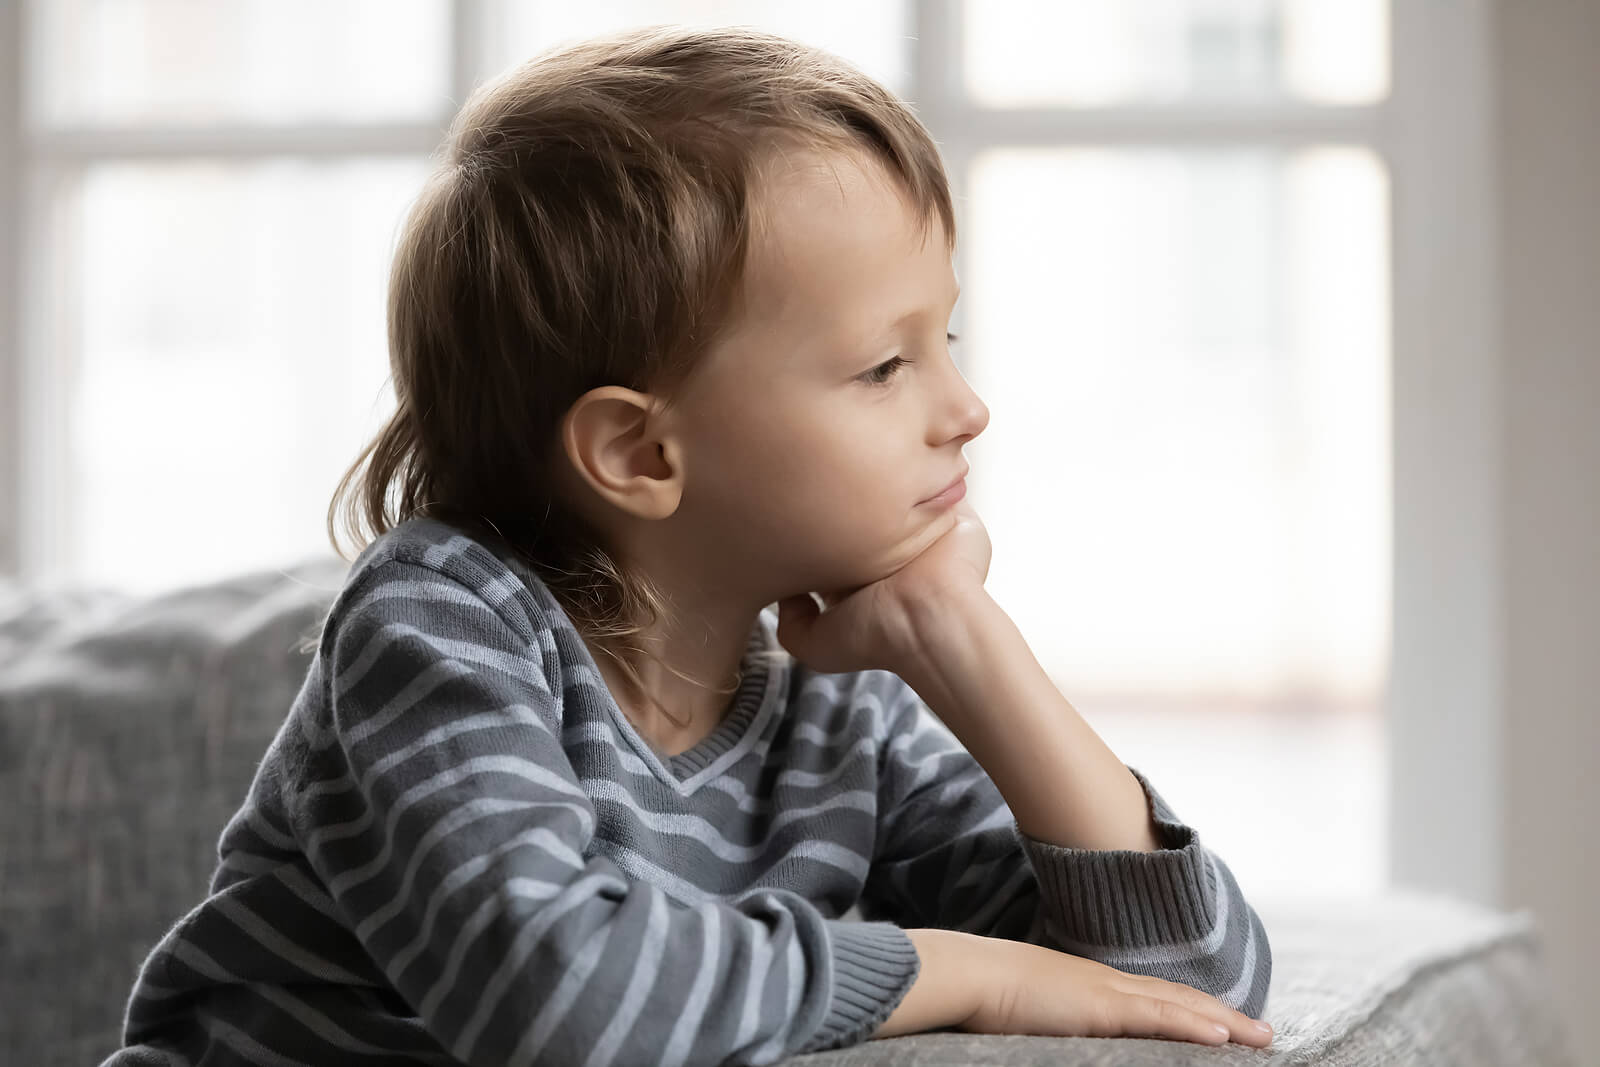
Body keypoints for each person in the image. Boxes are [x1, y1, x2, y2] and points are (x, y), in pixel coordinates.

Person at [103, 24, 1273, 1067]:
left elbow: (1187, 989)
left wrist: (964, 638)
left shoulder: (835, 707)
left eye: (946, 335)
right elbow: (560, 1003)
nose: (965, 408)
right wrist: (954, 966)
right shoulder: (440, 627)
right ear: (639, 453)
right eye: (883, 365)